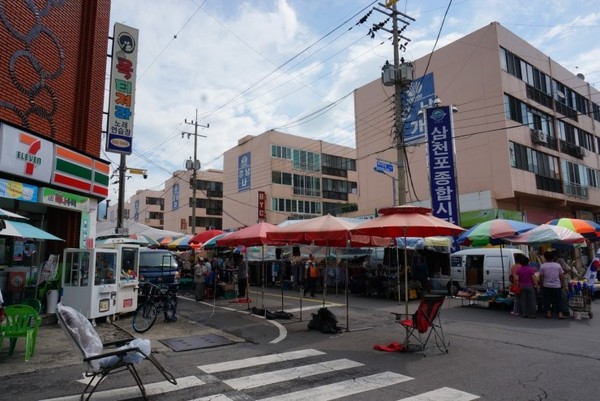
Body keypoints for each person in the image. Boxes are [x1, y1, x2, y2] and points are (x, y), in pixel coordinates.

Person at [539, 251, 565, 319]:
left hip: (546, 285)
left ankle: (548, 313)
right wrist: (562, 284)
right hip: (557, 286)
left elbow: (541, 277)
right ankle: (560, 314)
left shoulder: (543, 266)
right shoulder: (557, 265)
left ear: (545, 257)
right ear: (553, 257)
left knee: (547, 300)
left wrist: (541, 285)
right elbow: (562, 276)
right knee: (559, 300)